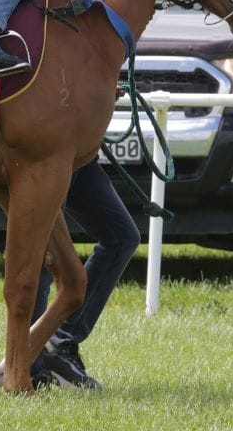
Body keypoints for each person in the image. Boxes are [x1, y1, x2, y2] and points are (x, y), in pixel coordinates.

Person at [31, 161, 141, 389]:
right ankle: (32, 369)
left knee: (122, 236)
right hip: (47, 157)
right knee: (43, 257)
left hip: (81, 157)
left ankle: (59, 343)